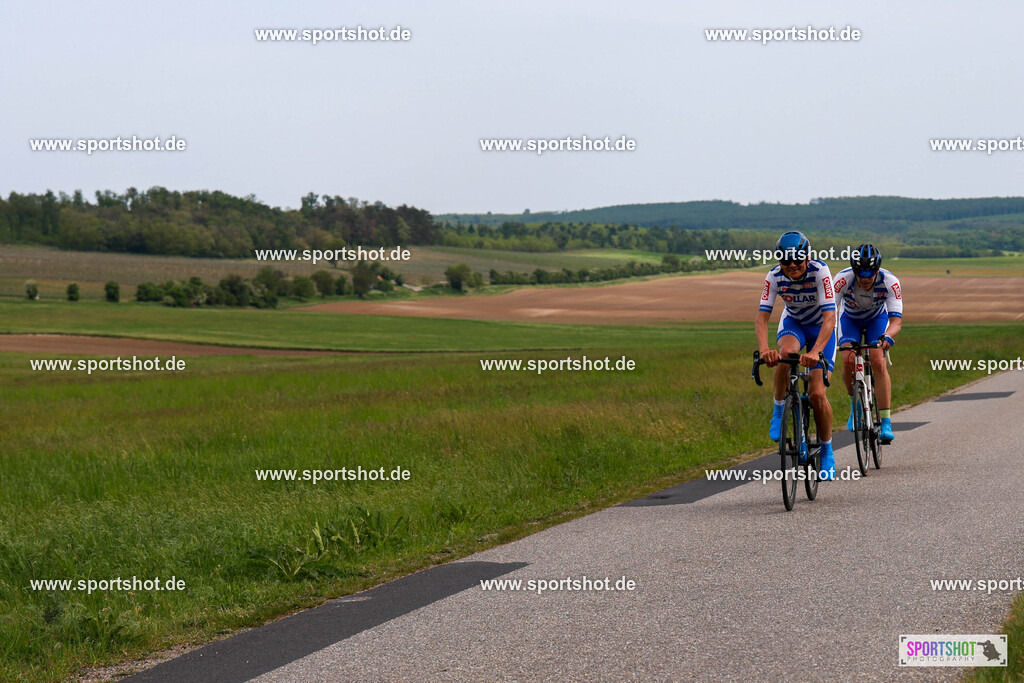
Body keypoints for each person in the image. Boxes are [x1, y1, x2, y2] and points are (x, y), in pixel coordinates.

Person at [755, 231, 838, 480]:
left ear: (807, 257)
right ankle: (779, 409)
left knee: (816, 393)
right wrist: (764, 350)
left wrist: (815, 351)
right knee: (786, 354)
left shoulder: (820, 271)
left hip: (821, 329)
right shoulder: (774, 276)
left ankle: (827, 452)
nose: (791, 265)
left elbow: (830, 318)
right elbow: (762, 318)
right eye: (785, 261)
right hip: (794, 323)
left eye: (797, 260)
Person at [833, 244, 903, 443]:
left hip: (877, 320)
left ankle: (886, 422)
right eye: (860, 273)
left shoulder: (891, 282)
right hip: (849, 319)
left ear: (877, 269)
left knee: (877, 360)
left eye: (870, 273)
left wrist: (888, 336)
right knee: (847, 357)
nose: (865, 278)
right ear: (854, 270)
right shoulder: (841, 280)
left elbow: (896, 321)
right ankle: (855, 407)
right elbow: (830, 312)